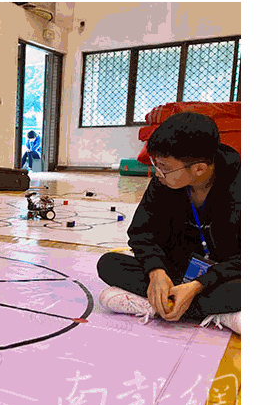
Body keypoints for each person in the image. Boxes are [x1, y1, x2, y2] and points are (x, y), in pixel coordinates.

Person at [97, 111, 240, 334]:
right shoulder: (164, 182)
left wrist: (197, 286)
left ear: (199, 169)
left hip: (226, 274)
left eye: (164, 166)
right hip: (177, 269)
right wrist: (156, 272)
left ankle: (159, 304)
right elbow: (141, 233)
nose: (158, 172)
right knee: (108, 264)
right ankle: (218, 311)